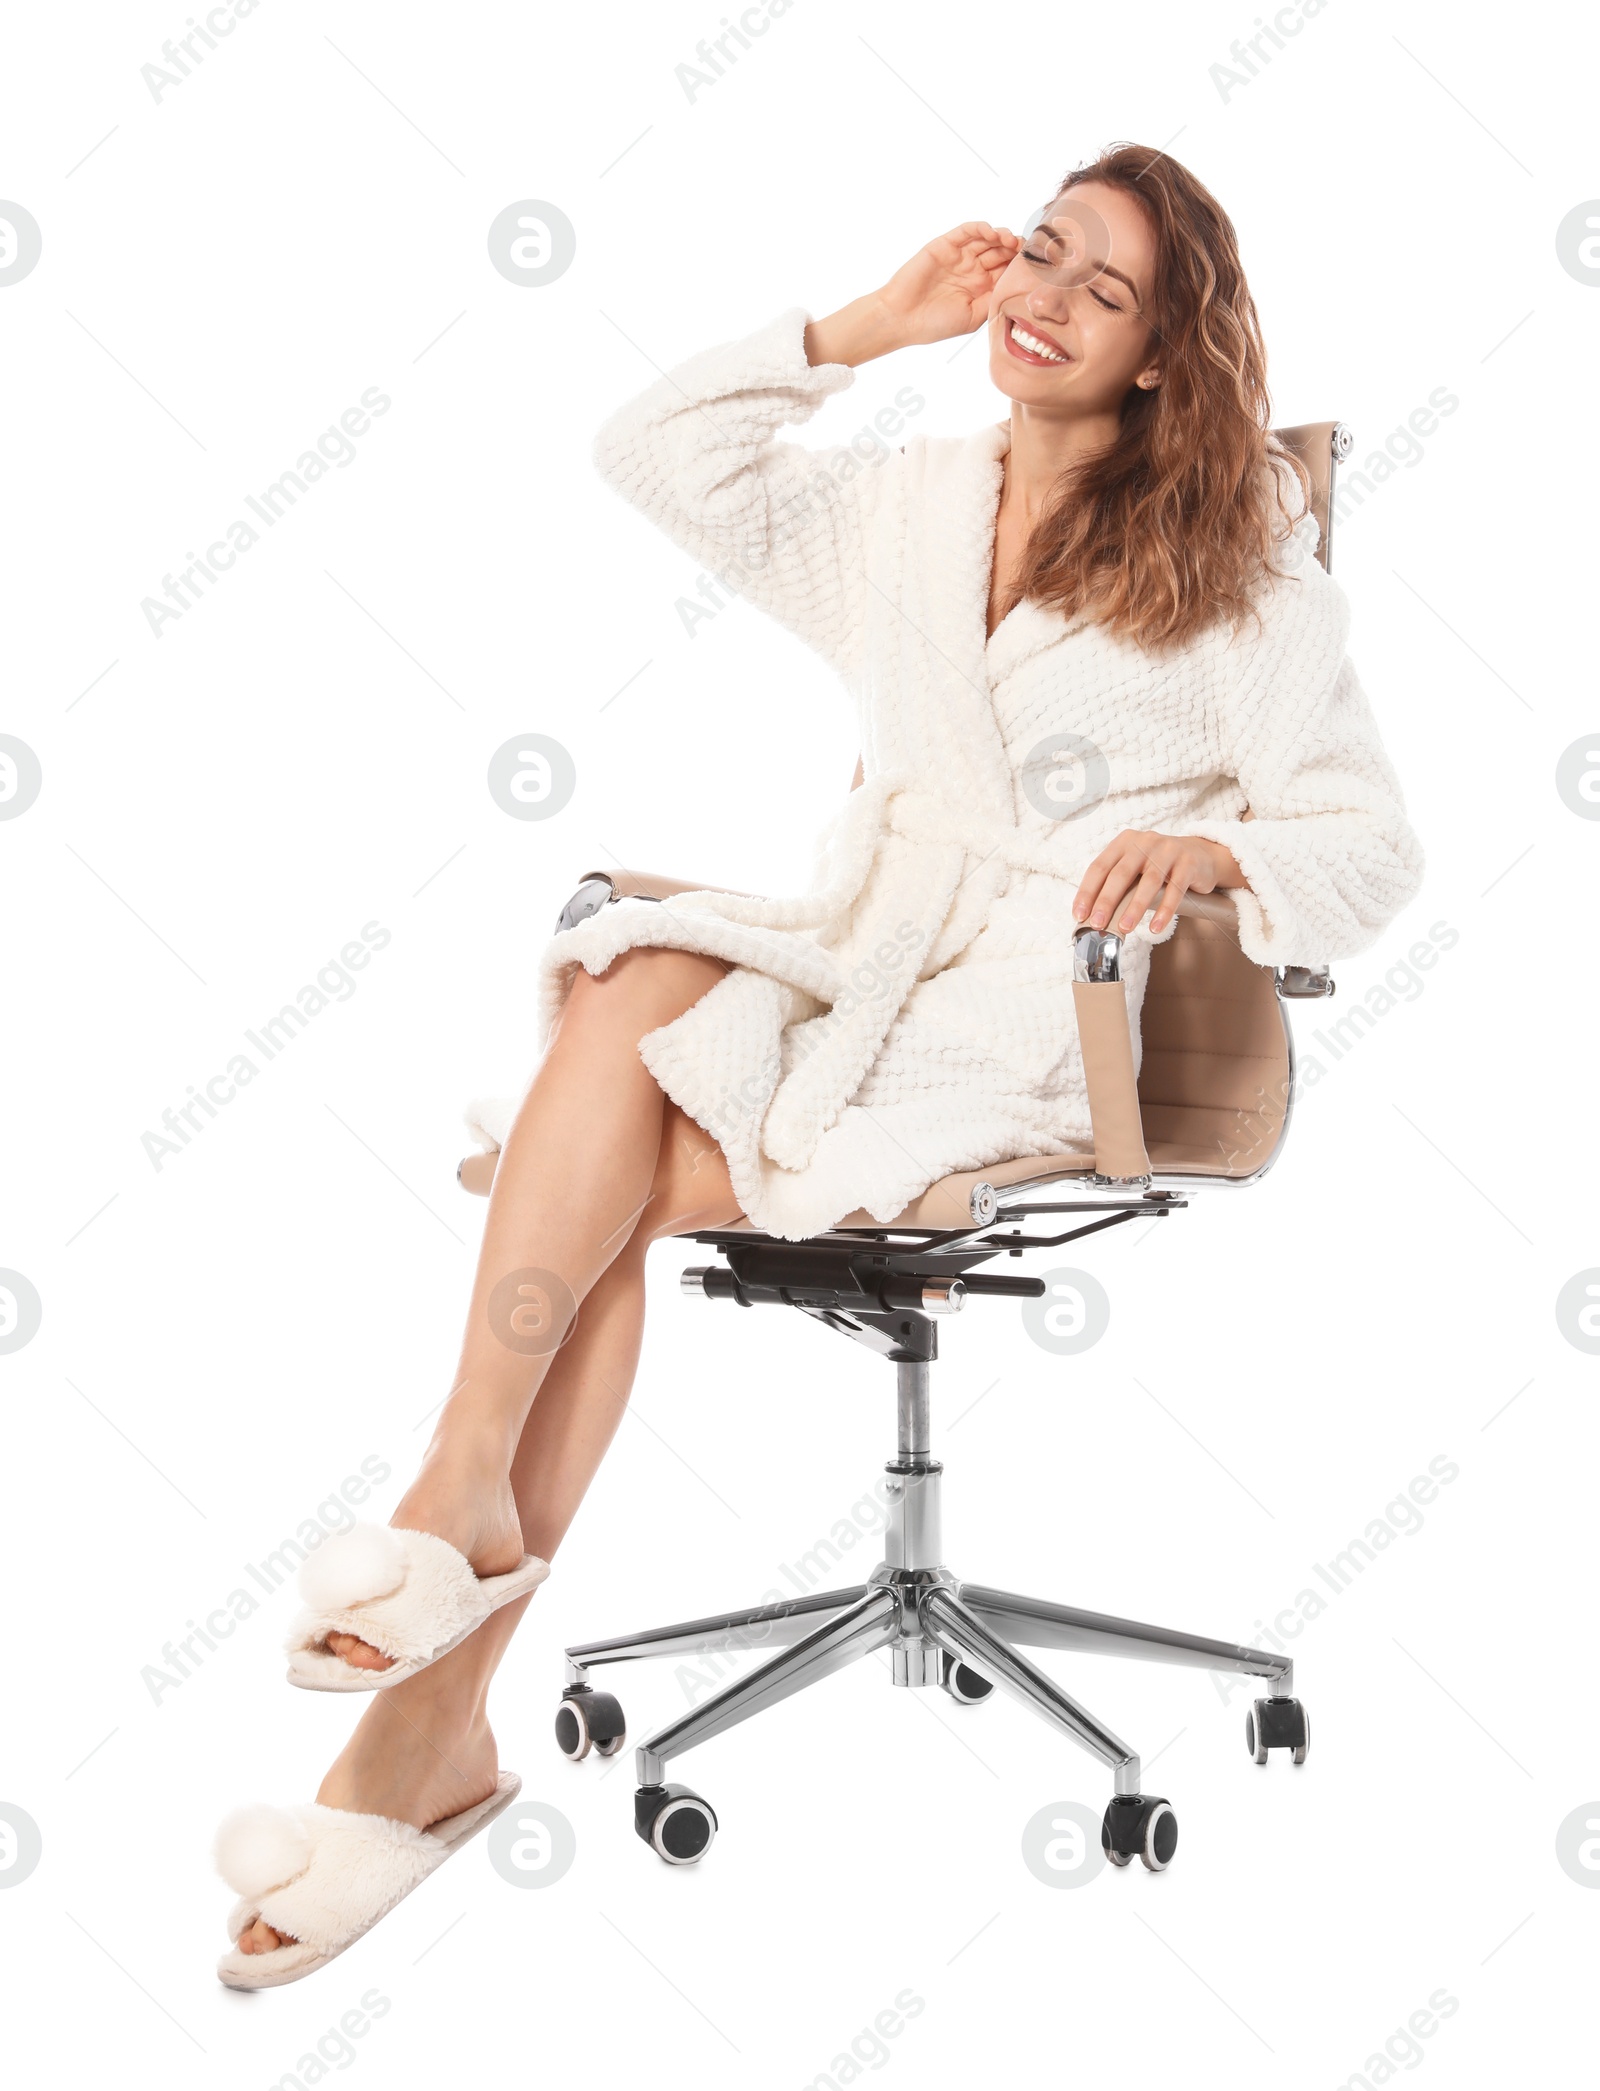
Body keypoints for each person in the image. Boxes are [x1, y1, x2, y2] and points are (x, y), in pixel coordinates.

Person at [214, 142, 1423, 1982]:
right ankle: (445, 1597)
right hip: (872, 956)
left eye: (1103, 289)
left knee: (600, 1137)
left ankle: (426, 1716)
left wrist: (1226, 854)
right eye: (1039, 251)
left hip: (1051, 1024)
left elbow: (1370, 848)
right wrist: (866, 325)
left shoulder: (1235, 553)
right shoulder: (914, 508)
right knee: (630, 972)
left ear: (1168, 352)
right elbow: (650, 455)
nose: (1044, 295)